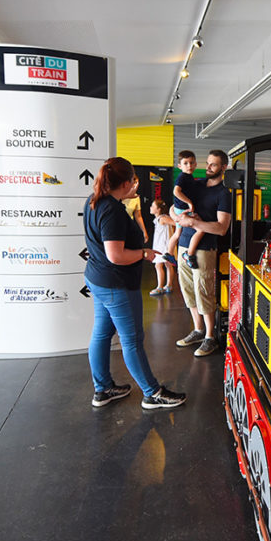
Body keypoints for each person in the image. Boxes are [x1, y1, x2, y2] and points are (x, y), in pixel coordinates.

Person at [83, 156, 186, 410]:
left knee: (103, 333)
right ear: (126, 182)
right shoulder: (112, 211)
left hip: (98, 278)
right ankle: (152, 393)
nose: (135, 186)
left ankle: (103, 389)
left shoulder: (94, 201)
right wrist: (144, 254)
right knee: (131, 339)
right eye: (134, 182)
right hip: (115, 284)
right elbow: (116, 255)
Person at [172, 150, 232, 358]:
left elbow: (222, 228)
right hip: (184, 245)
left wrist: (194, 222)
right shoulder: (195, 184)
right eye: (207, 163)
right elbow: (174, 206)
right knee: (188, 290)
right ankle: (198, 330)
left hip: (205, 249)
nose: (208, 168)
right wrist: (176, 218)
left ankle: (210, 337)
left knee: (203, 291)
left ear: (223, 167)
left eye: (213, 165)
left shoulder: (224, 194)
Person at [166, 150, 197, 266]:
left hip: (180, 208)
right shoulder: (182, 177)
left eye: (191, 162)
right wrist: (189, 202)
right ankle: (188, 254)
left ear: (196, 164)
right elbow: (176, 192)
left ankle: (169, 253)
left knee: (178, 233)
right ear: (179, 166)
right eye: (185, 163)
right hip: (182, 208)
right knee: (199, 229)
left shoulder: (189, 177)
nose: (189, 165)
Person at [148, 198, 175, 296]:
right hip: (162, 245)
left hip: (163, 246)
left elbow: (175, 223)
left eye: (153, 206)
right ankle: (168, 285)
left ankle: (161, 286)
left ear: (158, 209)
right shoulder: (159, 218)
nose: (150, 208)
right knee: (167, 264)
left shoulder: (162, 218)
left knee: (159, 265)